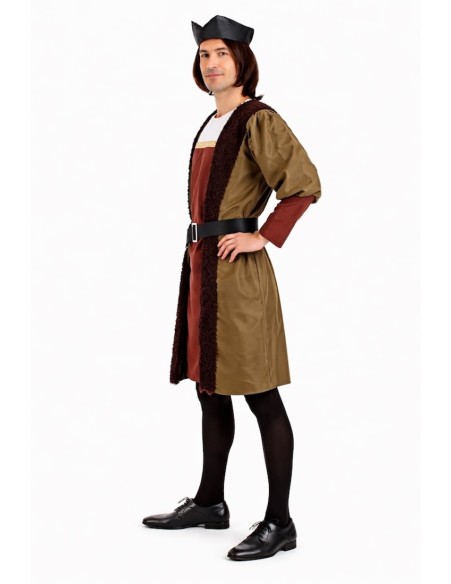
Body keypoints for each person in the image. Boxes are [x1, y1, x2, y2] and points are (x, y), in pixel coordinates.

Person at [142, 15, 321, 561]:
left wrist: (261, 236)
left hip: (238, 277)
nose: (212, 63)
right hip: (203, 270)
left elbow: (303, 185)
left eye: (222, 53)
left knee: (260, 394)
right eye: (205, 55)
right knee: (210, 389)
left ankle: (280, 522)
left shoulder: (257, 119)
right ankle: (210, 502)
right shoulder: (212, 122)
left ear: (242, 61)